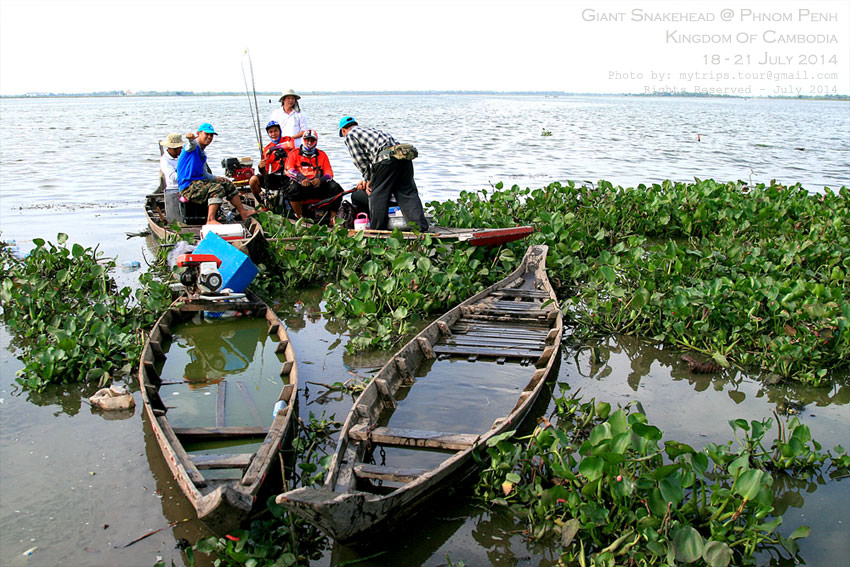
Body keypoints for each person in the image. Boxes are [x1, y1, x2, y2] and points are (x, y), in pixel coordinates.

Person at [338, 116, 428, 232]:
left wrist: (368, 178)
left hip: (386, 160)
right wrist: (368, 179)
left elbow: (359, 160)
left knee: (377, 194)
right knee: (408, 194)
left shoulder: (350, 135)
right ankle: (420, 229)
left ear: (343, 130)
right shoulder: (370, 130)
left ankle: (377, 230)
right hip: (403, 158)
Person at [177, 123, 254, 225]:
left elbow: (204, 174)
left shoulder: (202, 153)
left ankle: (243, 212)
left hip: (199, 182)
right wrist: (190, 139)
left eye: (211, 135)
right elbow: (190, 145)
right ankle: (210, 220)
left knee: (228, 184)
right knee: (217, 188)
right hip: (188, 186)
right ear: (199, 133)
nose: (209, 137)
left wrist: (218, 178)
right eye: (207, 134)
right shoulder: (193, 146)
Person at [284, 129, 343, 223]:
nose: (309, 142)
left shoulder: (322, 155)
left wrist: (321, 180)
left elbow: (329, 173)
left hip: (317, 184)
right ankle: (299, 217)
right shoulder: (294, 153)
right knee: (292, 189)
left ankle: (333, 218)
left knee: (335, 187)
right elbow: (289, 170)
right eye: (307, 140)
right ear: (303, 140)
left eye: (312, 140)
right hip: (301, 184)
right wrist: (301, 179)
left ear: (316, 141)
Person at [248, 120, 294, 209]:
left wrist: (273, 148)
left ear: (280, 131)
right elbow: (265, 171)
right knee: (253, 180)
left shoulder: (287, 139)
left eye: (276, 130)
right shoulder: (267, 149)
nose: (273, 134)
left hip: (289, 175)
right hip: (275, 176)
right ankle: (264, 205)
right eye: (271, 132)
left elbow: (290, 145)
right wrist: (260, 167)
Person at [159, 133, 183, 223]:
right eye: (180, 148)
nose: (181, 149)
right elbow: (173, 177)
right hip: (174, 189)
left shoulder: (180, 157)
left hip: (186, 187)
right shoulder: (165, 160)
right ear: (173, 148)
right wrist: (188, 175)